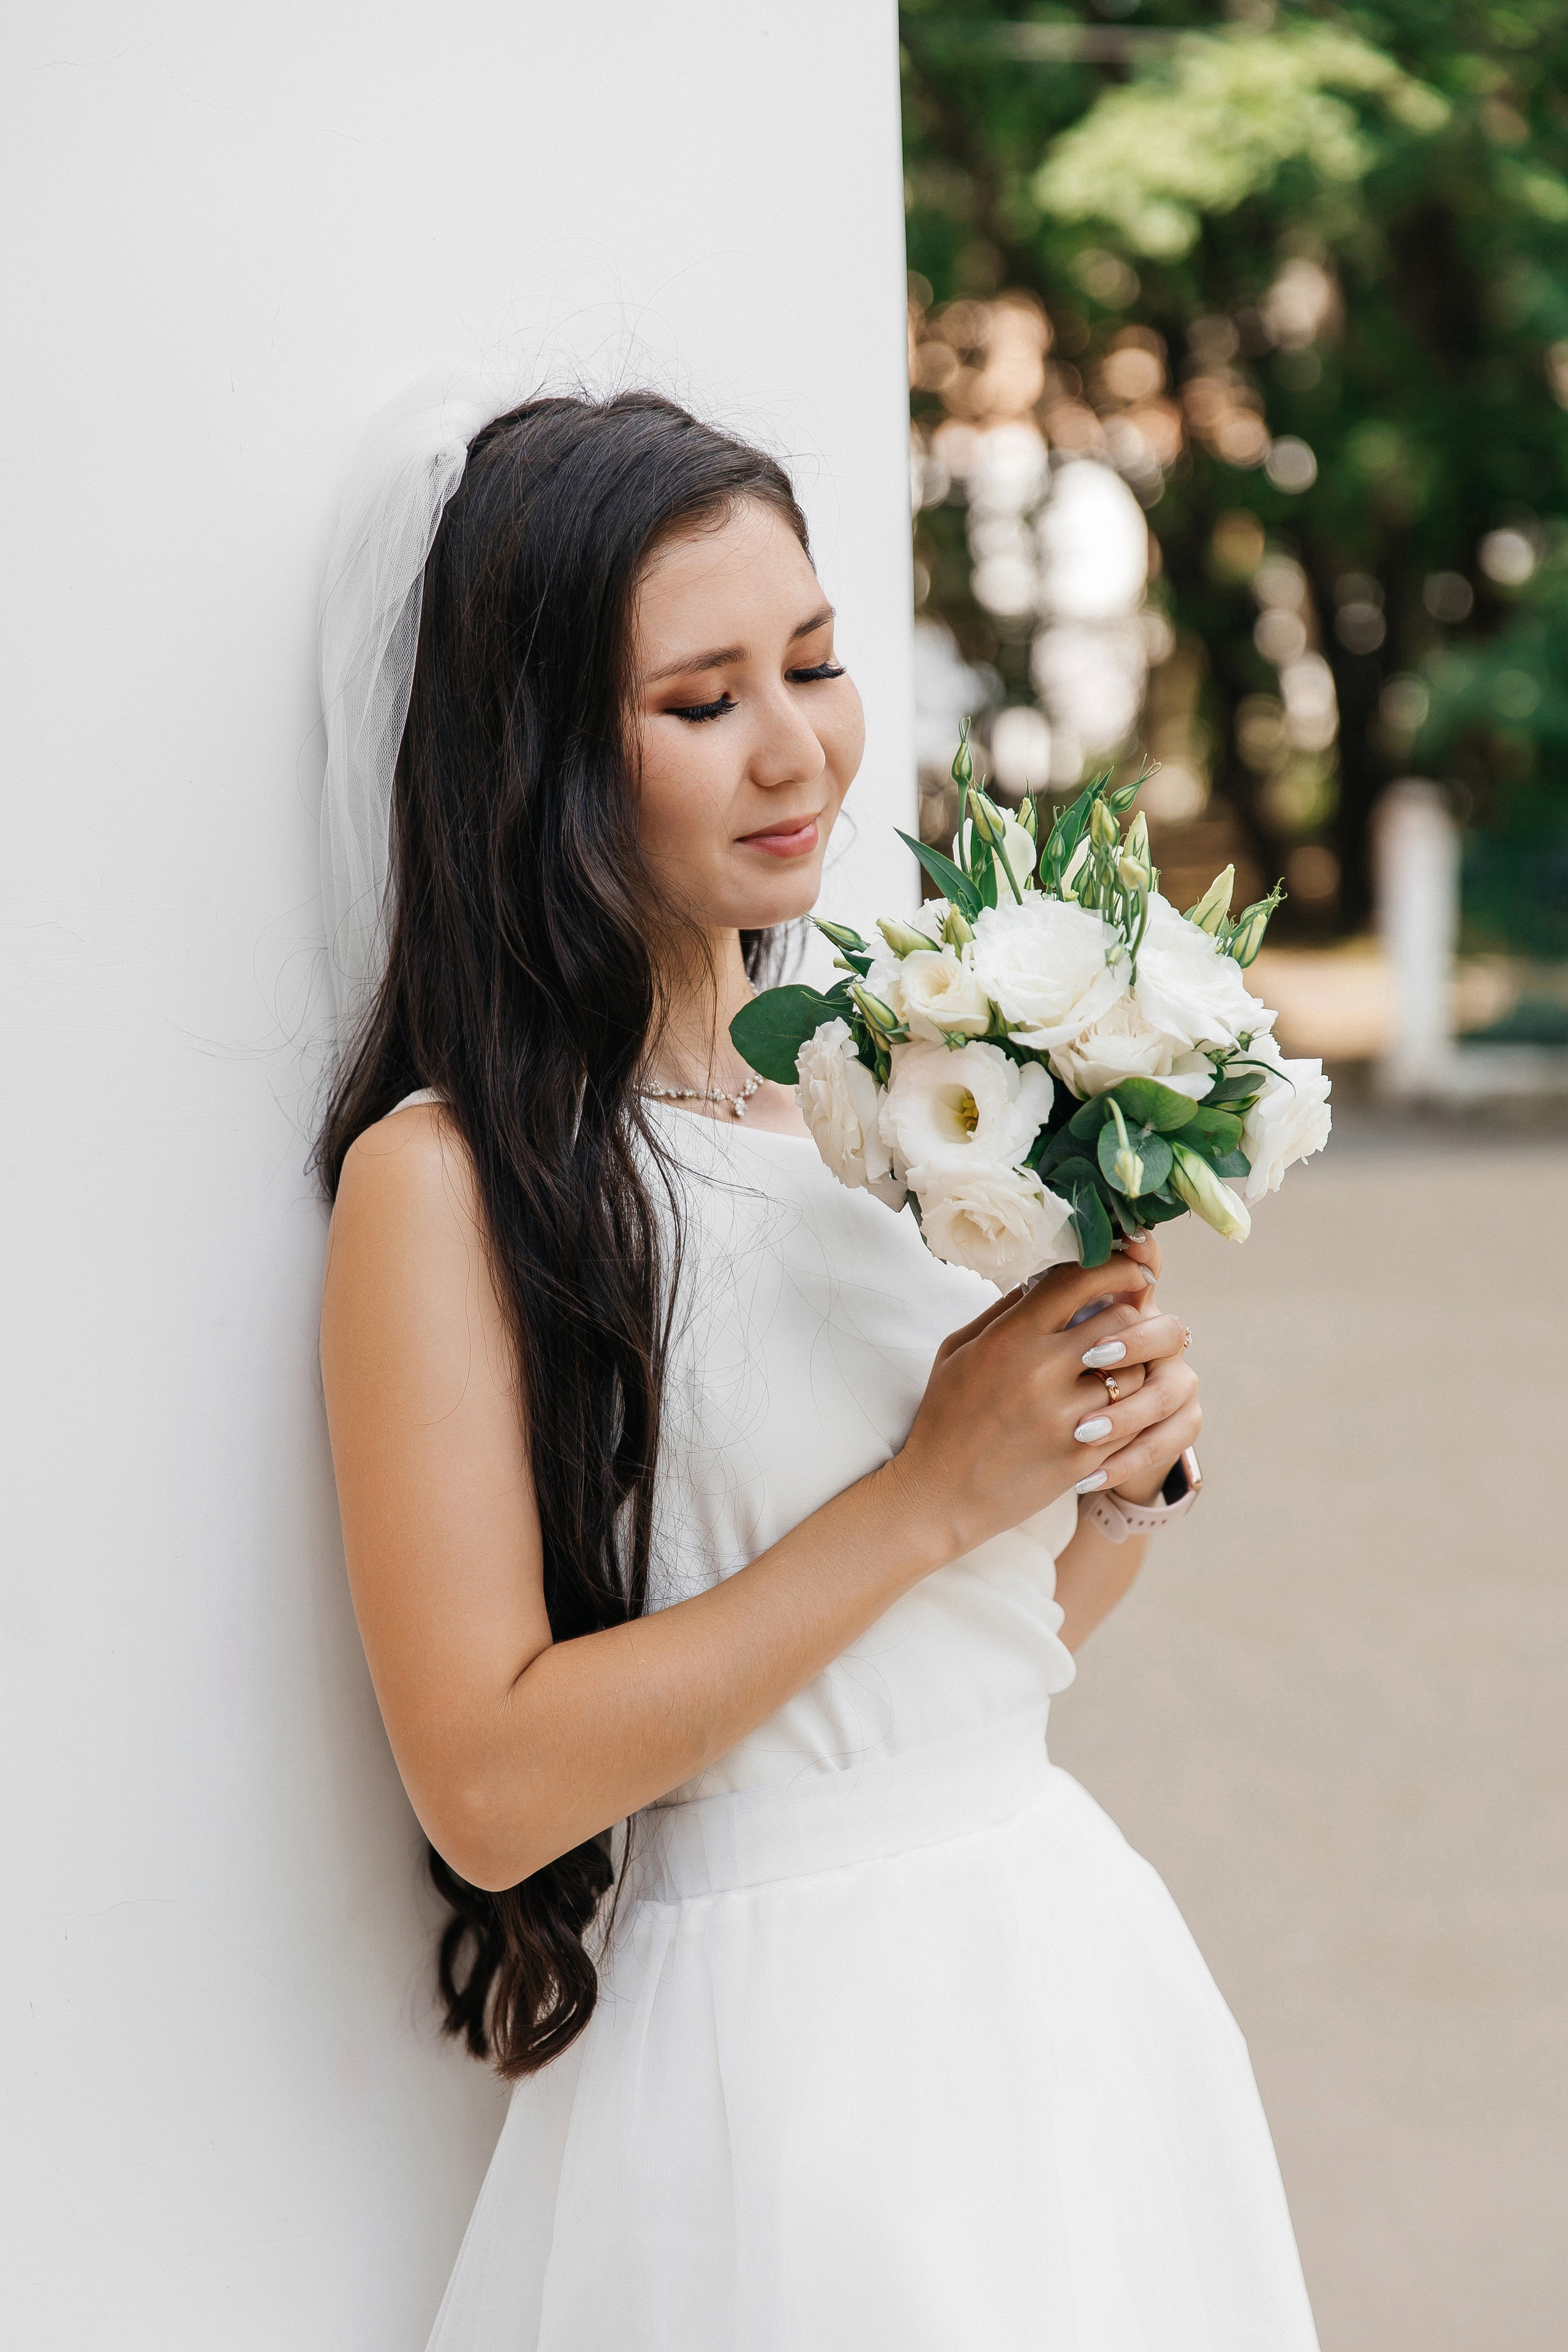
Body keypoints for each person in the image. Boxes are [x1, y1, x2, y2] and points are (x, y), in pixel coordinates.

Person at [316, 388, 1319, 2350]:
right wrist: (938, 1486)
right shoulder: (451, 1182)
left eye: (818, 661)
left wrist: (1094, 1485)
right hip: (782, 2058)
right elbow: (494, 1785)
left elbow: (954, 1659)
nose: (799, 748)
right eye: (702, 702)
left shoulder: (877, 1108)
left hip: (1058, 1970)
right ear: (539, 760)